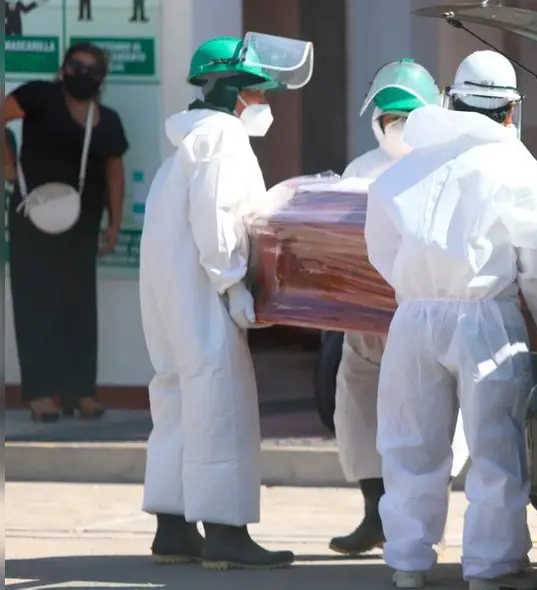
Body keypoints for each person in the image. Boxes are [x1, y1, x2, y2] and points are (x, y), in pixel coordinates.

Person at [365, 49, 537, 590]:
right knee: (494, 447)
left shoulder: (411, 163)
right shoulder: (514, 163)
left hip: (413, 318)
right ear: (510, 111)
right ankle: (490, 568)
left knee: (410, 445)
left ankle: (407, 563)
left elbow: (381, 247)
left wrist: (420, 289)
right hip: (483, 320)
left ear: (452, 100)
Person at [138, 33, 313, 570]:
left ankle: (172, 528)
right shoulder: (221, 137)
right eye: (258, 93)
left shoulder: (186, 143)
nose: (263, 104)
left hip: (171, 297)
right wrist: (233, 282)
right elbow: (218, 217)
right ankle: (226, 534)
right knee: (220, 403)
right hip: (204, 293)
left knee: (176, 401)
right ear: (232, 90)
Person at [328, 58, 472, 556]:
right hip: (366, 318)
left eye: (409, 117)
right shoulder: (361, 170)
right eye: (391, 118)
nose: (399, 127)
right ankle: (374, 512)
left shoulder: (448, 164)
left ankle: (415, 526)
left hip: (422, 314)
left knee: (422, 418)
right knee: (358, 401)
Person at [3, 42, 127, 422]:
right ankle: (39, 394)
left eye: (92, 70)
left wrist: (114, 223)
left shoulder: (108, 120)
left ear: (101, 80)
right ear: (63, 69)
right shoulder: (38, 96)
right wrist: (7, 166)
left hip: (81, 222)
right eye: (76, 66)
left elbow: (114, 172)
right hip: (32, 216)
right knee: (34, 305)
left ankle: (80, 393)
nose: (82, 74)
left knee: (79, 307)